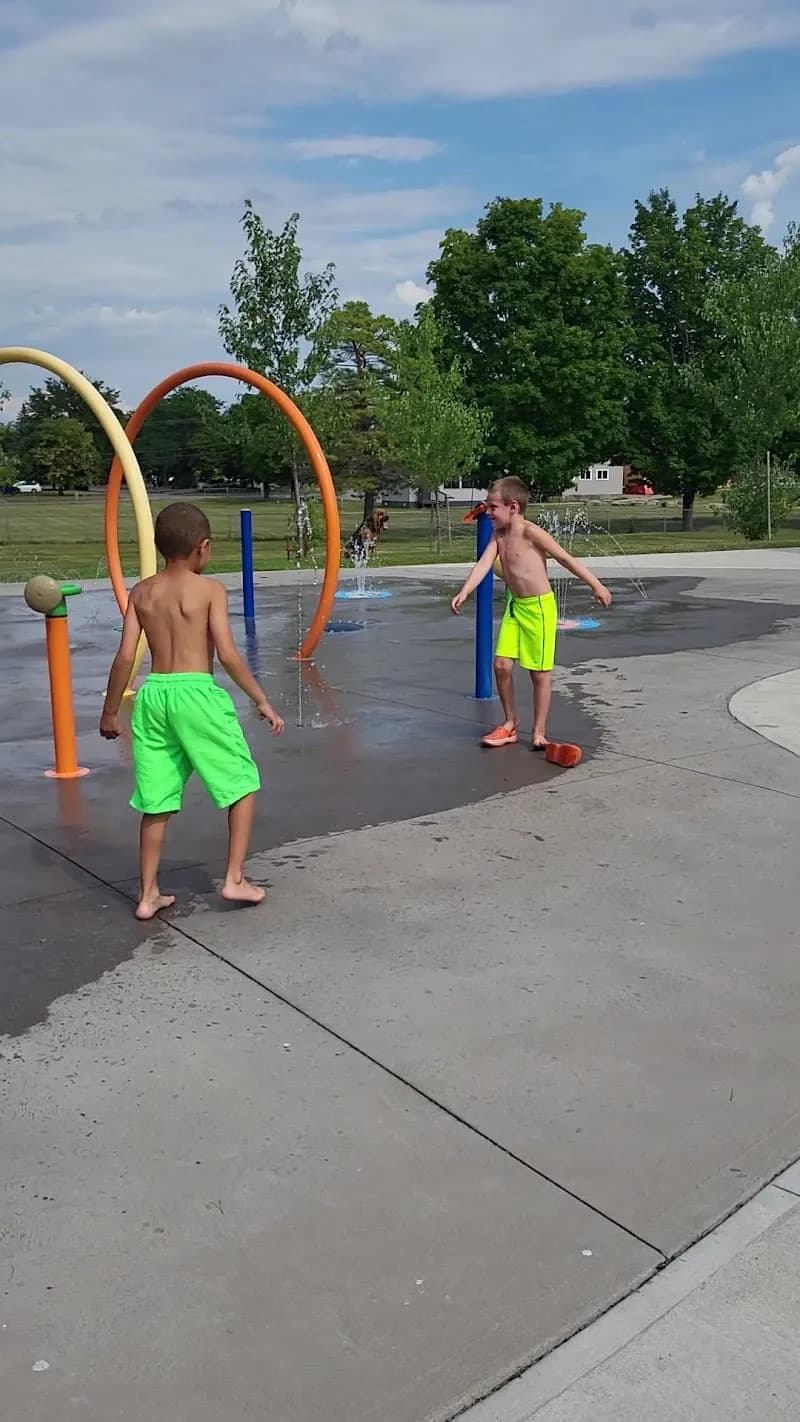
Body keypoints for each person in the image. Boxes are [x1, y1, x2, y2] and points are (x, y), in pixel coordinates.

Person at [100, 502, 284, 921]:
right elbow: (229, 654)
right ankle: (234, 877)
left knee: (156, 797)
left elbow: (125, 655)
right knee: (241, 782)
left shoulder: (142, 592)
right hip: (196, 693)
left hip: (154, 695)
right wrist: (260, 698)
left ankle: (148, 894)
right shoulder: (209, 591)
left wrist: (111, 712)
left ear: (158, 545)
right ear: (203, 548)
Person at [451, 476, 612, 749]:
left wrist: (596, 585)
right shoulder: (499, 535)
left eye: (493, 507)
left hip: (538, 607)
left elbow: (564, 558)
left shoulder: (530, 532)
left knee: (539, 673)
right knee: (501, 665)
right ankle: (510, 723)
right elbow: (484, 564)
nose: (487, 512)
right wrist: (465, 591)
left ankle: (539, 732)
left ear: (512, 507)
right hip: (516, 606)